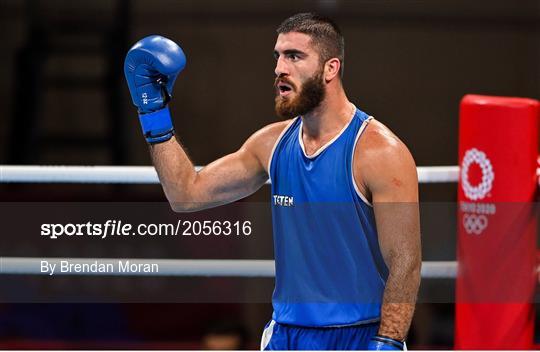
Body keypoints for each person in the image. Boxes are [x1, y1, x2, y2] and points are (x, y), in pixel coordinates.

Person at [124, 13, 421, 350]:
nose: (280, 67)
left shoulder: (379, 152)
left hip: (358, 334)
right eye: (277, 56)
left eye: (294, 56)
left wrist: (389, 341)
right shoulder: (271, 144)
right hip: (286, 335)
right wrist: (153, 112)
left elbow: (405, 262)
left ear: (330, 68)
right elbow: (185, 194)